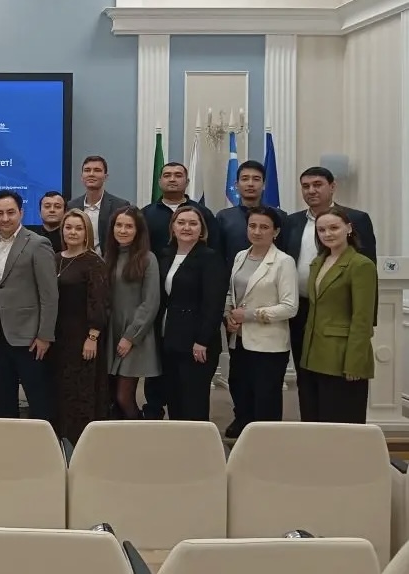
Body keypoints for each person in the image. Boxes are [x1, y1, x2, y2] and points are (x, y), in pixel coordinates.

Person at [282, 166, 377, 420]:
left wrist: (358, 353)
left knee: (340, 402)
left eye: (317, 184)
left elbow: (365, 299)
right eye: (305, 186)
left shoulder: (358, 226)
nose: (311, 190)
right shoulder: (294, 225)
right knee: (310, 389)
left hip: (342, 321)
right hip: (304, 316)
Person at [0, 190, 58, 420]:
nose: (5, 218)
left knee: (38, 399)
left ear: (21, 213)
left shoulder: (38, 244)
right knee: (4, 400)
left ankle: (44, 442)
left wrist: (45, 336)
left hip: (30, 338)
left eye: (10, 212)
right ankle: (9, 442)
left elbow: (49, 295)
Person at [223, 206, 298, 435]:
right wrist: (228, 314)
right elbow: (231, 292)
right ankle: (244, 430)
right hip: (239, 339)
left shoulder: (283, 261)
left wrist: (248, 315)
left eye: (264, 227)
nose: (257, 231)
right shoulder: (240, 256)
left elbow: (289, 307)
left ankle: (266, 441)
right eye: (252, 226)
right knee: (240, 389)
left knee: (265, 397)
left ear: (275, 232)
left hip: (269, 343)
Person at [300, 207, 377, 423]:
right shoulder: (318, 262)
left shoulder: (361, 265)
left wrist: (355, 362)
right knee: (314, 419)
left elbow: (362, 319)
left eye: (334, 228)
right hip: (313, 354)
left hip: (342, 357)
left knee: (341, 422)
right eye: (321, 230)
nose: (327, 234)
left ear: (348, 228)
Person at [157, 206, 227, 421]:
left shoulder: (210, 258)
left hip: (197, 342)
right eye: (181, 223)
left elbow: (214, 304)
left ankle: (198, 441)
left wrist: (202, 340)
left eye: (193, 223)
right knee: (174, 397)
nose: (186, 227)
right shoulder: (165, 254)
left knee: (193, 400)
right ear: (173, 227)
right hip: (170, 337)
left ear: (201, 229)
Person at [47, 209, 109, 443]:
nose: (72, 232)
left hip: (83, 336)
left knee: (80, 390)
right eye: (68, 227)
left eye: (78, 228)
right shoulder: (55, 258)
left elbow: (99, 302)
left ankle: (82, 443)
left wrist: (92, 337)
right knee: (59, 388)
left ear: (87, 233)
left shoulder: (94, 262)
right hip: (57, 335)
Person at [103, 206, 160, 420]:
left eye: (129, 226)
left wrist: (130, 337)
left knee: (124, 397)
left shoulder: (148, 259)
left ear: (138, 230)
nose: (123, 230)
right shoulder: (108, 257)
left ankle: (141, 431)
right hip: (111, 332)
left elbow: (150, 302)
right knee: (110, 397)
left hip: (135, 335)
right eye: (119, 225)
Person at [65, 155, 132, 256]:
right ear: (82, 177)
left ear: (105, 177)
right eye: (87, 170)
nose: (91, 174)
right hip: (78, 261)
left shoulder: (120, 206)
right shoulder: (72, 206)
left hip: (110, 262)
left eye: (97, 170)